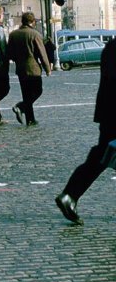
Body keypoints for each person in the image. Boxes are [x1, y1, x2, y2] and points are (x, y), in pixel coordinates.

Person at [55, 34, 116, 224]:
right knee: (101, 156)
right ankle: (70, 195)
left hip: (109, 112)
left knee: (101, 155)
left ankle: (70, 195)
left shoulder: (112, 46)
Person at [7, 11, 50, 126]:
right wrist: (47, 68)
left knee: (26, 94)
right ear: (33, 22)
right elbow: (42, 53)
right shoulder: (34, 34)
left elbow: (9, 53)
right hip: (33, 69)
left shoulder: (13, 35)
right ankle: (20, 107)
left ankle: (30, 120)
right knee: (37, 91)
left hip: (20, 69)